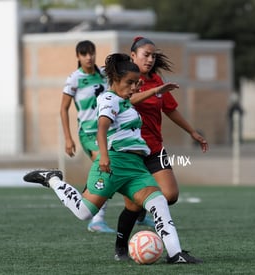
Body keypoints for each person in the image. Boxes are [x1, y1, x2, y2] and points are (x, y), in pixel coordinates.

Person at [23, 53, 202, 264]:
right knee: (84, 213)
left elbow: (134, 102)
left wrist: (155, 91)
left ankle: (175, 254)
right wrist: (105, 158)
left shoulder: (126, 101)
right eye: (130, 82)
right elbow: (102, 127)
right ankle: (52, 178)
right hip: (113, 163)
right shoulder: (108, 99)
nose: (135, 86)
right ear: (115, 80)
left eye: (137, 83)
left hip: (136, 167)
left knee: (159, 201)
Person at [113, 37, 208, 260]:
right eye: (146, 54)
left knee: (170, 195)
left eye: (153, 55)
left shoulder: (156, 79)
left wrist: (192, 132)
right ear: (133, 55)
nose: (150, 59)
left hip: (154, 148)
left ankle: (147, 210)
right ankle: (120, 247)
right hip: (130, 152)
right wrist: (155, 90)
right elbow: (128, 100)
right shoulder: (126, 78)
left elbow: (170, 109)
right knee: (133, 206)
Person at [60, 40, 115, 233]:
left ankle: (138, 214)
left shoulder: (103, 75)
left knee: (116, 168)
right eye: (84, 54)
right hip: (89, 133)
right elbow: (64, 109)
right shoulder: (74, 79)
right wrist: (68, 138)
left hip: (108, 132)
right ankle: (96, 219)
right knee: (105, 166)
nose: (89, 57)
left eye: (91, 53)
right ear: (78, 57)